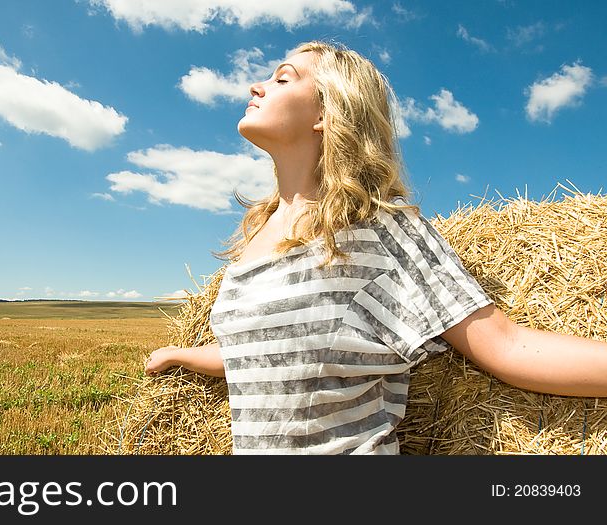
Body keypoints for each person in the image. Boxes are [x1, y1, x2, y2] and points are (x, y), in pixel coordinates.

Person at [144, 40, 607, 455]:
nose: (256, 84)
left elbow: (508, 348)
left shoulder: (378, 232)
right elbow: (276, 351)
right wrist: (186, 356)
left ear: (328, 114)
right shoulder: (255, 237)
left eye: (282, 77)